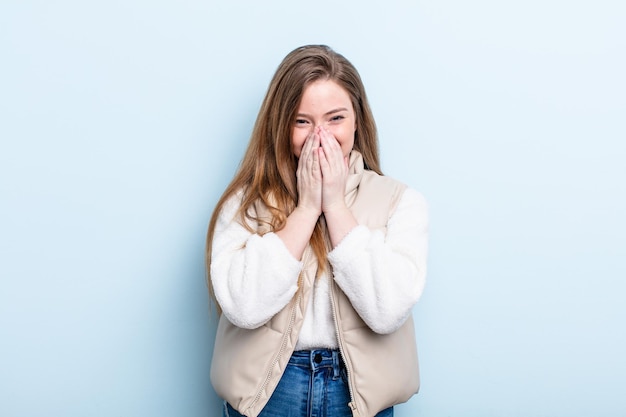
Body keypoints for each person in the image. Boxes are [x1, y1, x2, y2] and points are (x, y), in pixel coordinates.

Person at [205, 45, 428, 417]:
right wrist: (307, 208)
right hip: (271, 392)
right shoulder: (244, 203)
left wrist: (336, 207)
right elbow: (243, 307)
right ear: (281, 126)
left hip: (357, 394)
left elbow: (388, 311)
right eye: (302, 121)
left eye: (336, 118)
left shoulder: (401, 202)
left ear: (358, 120)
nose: (319, 136)